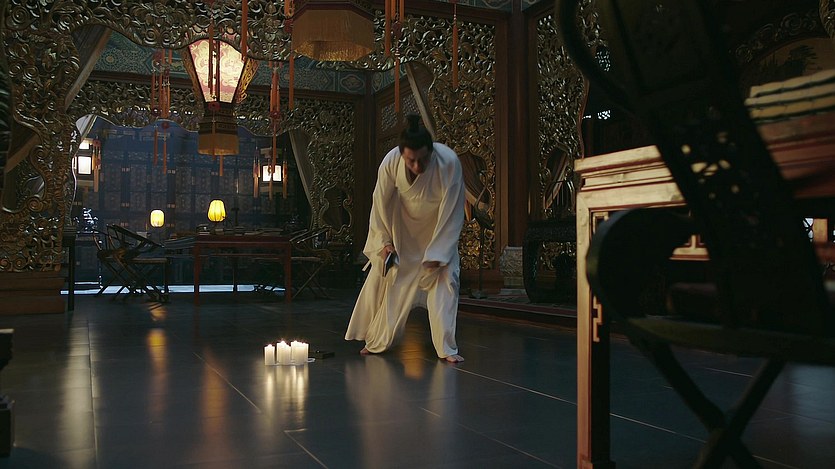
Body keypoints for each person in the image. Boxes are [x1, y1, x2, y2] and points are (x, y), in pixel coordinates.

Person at [345, 114, 465, 363]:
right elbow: (380, 203)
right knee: (395, 283)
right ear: (402, 155)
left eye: (423, 159)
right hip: (404, 230)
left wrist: (438, 253)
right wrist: (384, 242)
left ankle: (447, 348)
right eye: (411, 161)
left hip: (437, 230)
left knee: (446, 282)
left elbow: (453, 211)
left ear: (432, 152)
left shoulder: (448, 162)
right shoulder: (391, 161)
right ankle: (377, 342)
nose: (418, 166)